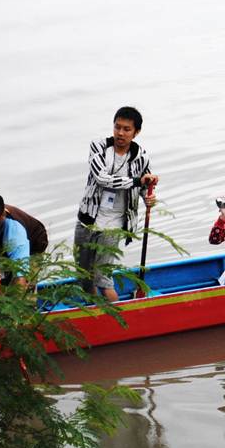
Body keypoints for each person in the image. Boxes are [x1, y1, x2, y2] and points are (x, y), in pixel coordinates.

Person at [74, 106, 159, 303]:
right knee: (83, 276)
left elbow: (145, 187)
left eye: (126, 129)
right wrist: (137, 182)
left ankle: (120, 317)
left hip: (114, 223)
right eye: (117, 127)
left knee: (102, 278)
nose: (120, 133)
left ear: (136, 132)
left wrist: (148, 196)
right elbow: (102, 178)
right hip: (88, 218)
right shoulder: (98, 147)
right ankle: (97, 313)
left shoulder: (141, 157)